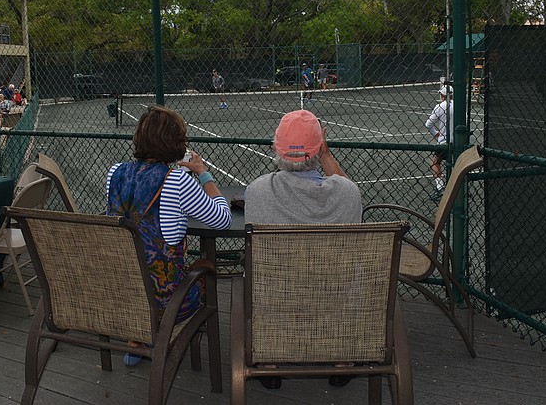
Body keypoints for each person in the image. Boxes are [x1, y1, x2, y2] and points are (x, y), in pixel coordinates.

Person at [244, 109, 362, 389]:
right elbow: (347, 185)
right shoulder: (348, 195)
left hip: (277, 303)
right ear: (320, 148)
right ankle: (343, 360)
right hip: (335, 301)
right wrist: (326, 156)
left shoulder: (257, 191)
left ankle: (270, 360)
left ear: (276, 148)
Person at [106, 105, 231, 366]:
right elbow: (222, 219)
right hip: (168, 303)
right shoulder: (177, 181)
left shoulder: (114, 173)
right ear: (176, 143)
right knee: (206, 266)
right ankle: (163, 335)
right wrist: (203, 174)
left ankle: (137, 336)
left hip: (124, 294)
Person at [425, 85, 454, 202]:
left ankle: (441, 187)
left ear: (443, 95)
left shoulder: (440, 106)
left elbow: (428, 124)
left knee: (436, 162)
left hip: (444, 142)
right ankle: (459, 190)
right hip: (458, 142)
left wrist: (435, 133)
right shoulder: (460, 106)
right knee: (457, 165)